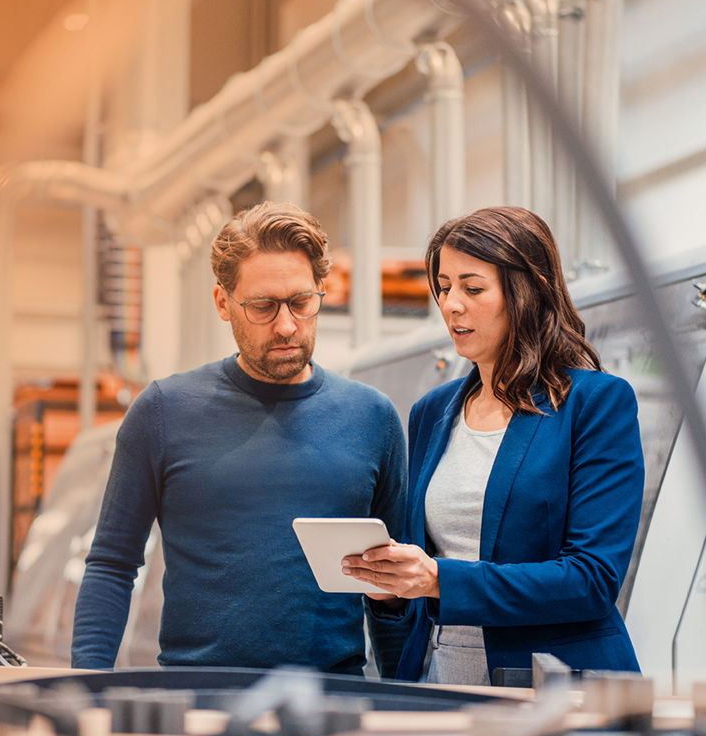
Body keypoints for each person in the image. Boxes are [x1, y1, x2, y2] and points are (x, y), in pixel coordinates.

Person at [72, 201, 412, 676]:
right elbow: (112, 565)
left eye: (301, 302)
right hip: (198, 696)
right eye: (263, 307)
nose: (287, 325)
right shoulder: (164, 412)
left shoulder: (372, 417)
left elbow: (393, 585)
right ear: (222, 303)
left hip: (331, 700)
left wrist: (402, 695)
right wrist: (87, 687)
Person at [341, 206, 644, 684]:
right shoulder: (431, 412)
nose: (451, 305)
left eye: (473, 288)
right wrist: (392, 590)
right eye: (444, 287)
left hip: (552, 684)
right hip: (442, 678)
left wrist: (439, 579)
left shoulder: (595, 403)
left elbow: (591, 580)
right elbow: (424, 579)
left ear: (526, 293)